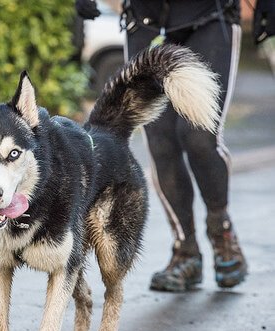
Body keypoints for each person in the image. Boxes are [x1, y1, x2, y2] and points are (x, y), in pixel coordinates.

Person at [76, 0, 274, 291]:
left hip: (210, 16)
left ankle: (222, 234)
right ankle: (186, 252)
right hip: (146, 20)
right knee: (161, 142)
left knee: (198, 135)